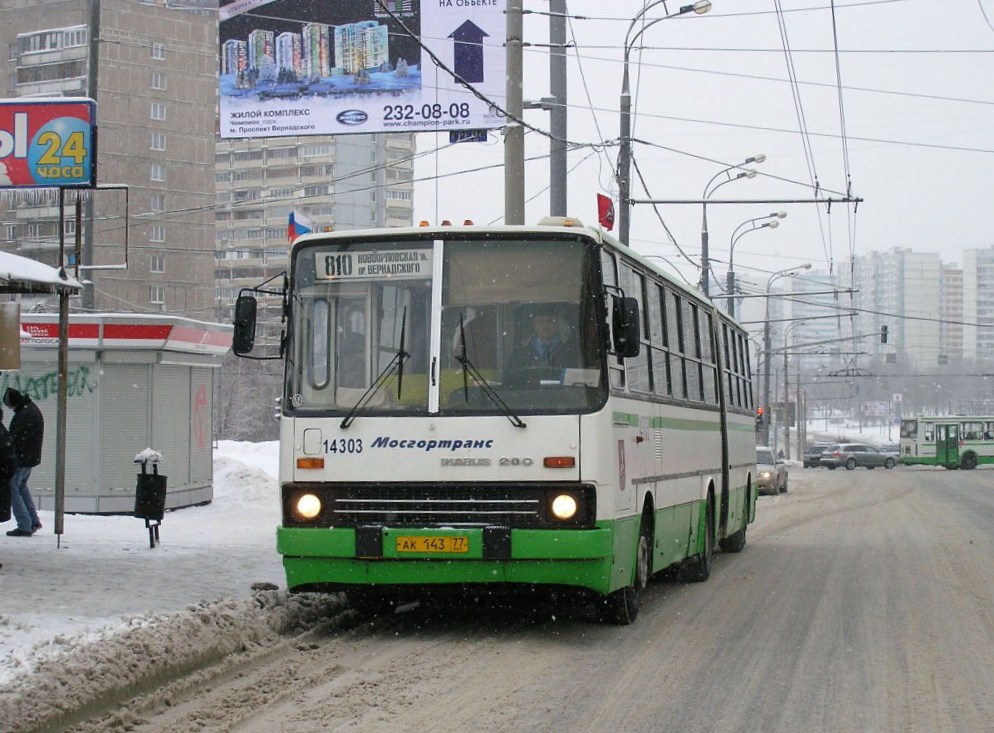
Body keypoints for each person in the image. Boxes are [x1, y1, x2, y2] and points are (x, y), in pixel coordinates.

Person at [4, 388, 44, 537]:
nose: (11, 409)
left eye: (10, 406)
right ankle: (33, 521)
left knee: (13, 488)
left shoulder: (24, 415)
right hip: (30, 458)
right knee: (21, 487)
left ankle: (24, 524)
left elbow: (15, 439)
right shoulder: (31, 409)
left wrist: (9, 456)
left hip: (21, 459)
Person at [506, 309, 577, 371]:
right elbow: (511, 379)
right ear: (534, 325)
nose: (545, 326)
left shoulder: (570, 350)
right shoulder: (521, 352)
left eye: (550, 321)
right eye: (540, 321)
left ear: (557, 324)